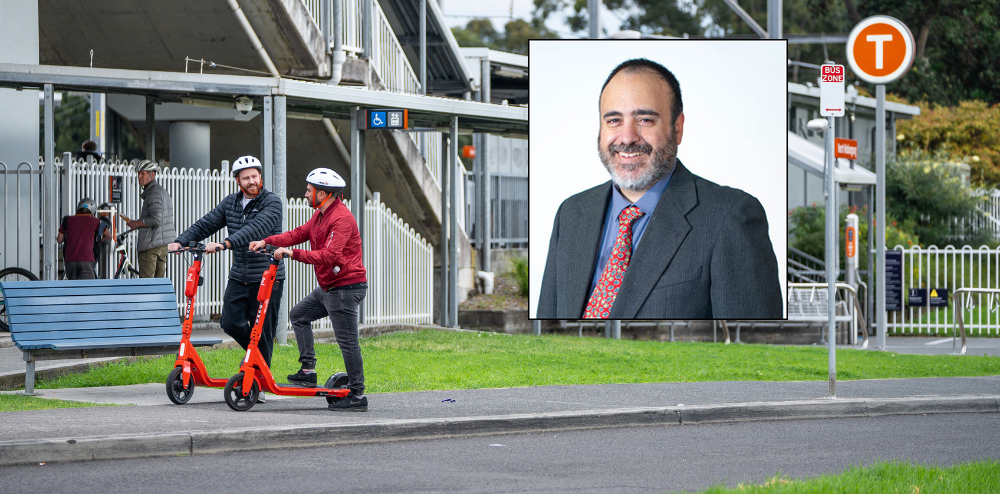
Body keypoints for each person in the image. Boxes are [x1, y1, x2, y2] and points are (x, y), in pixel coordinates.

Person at [537, 58, 782, 319]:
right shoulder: (572, 213)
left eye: (645, 119)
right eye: (614, 120)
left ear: (677, 128)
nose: (628, 137)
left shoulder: (730, 216)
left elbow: (751, 348)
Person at [250, 168, 369, 412]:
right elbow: (299, 234)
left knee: (347, 342)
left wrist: (291, 254)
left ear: (322, 193)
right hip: (330, 288)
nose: (305, 194)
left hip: (346, 288)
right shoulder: (320, 215)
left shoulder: (341, 218)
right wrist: (268, 241)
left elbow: (329, 255)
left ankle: (357, 395)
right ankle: (308, 370)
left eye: (309, 190)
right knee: (299, 315)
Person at [168, 156, 285, 381]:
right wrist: (181, 240)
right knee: (229, 322)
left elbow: (255, 229)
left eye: (254, 176)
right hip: (239, 275)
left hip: (267, 276)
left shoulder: (272, 202)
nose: (251, 181)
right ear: (237, 181)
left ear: (260, 177)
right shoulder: (231, 202)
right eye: (246, 178)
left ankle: (257, 381)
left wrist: (225, 243)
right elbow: (206, 223)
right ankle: (256, 358)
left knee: (264, 332)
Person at [126, 160, 176, 278]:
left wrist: (136, 223)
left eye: (142, 173)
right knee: (158, 285)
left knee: (146, 286)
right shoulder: (163, 192)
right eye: (138, 174)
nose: (139, 176)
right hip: (161, 246)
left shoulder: (153, 193)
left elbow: (156, 219)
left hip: (151, 246)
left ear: (152, 175)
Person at [57, 197, 113, 280]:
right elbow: (109, 236)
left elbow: (59, 240)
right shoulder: (96, 221)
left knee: (73, 287)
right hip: (86, 260)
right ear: (93, 211)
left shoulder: (67, 220)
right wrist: (97, 241)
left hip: (70, 260)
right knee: (88, 288)